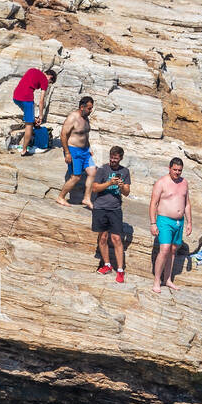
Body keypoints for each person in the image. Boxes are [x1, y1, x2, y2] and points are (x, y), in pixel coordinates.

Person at [88, 147, 131, 283]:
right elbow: (94, 188)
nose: (113, 160)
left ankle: (120, 270)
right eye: (111, 157)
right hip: (100, 207)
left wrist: (121, 185)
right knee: (103, 237)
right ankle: (107, 265)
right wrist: (109, 183)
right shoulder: (102, 170)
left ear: (121, 158)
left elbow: (127, 192)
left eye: (116, 158)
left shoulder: (125, 172)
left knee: (117, 239)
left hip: (115, 209)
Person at [150, 157, 191, 293]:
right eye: (175, 170)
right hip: (164, 220)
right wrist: (153, 223)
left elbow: (187, 204)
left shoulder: (184, 183)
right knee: (165, 249)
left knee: (173, 250)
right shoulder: (161, 182)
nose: (177, 173)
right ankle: (157, 280)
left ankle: (167, 279)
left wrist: (189, 222)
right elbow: (153, 204)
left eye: (180, 170)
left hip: (179, 222)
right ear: (169, 168)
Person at [56, 96, 95, 207]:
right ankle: (61, 197)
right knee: (76, 177)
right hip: (74, 150)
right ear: (81, 107)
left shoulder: (86, 117)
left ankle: (87, 198)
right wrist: (67, 153)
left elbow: (85, 134)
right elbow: (63, 135)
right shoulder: (73, 117)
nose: (91, 111)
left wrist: (89, 147)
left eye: (91, 108)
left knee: (93, 172)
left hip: (85, 151)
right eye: (89, 108)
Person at [12, 67, 55, 156]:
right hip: (27, 99)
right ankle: (24, 151)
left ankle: (31, 118)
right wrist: (41, 116)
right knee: (29, 125)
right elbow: (41, 101)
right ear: (50, 77)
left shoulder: (32, 70)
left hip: (16, 96)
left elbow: (26, 83)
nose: (48, 84)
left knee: (30, 117)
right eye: (50, 82)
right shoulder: (45, 80)